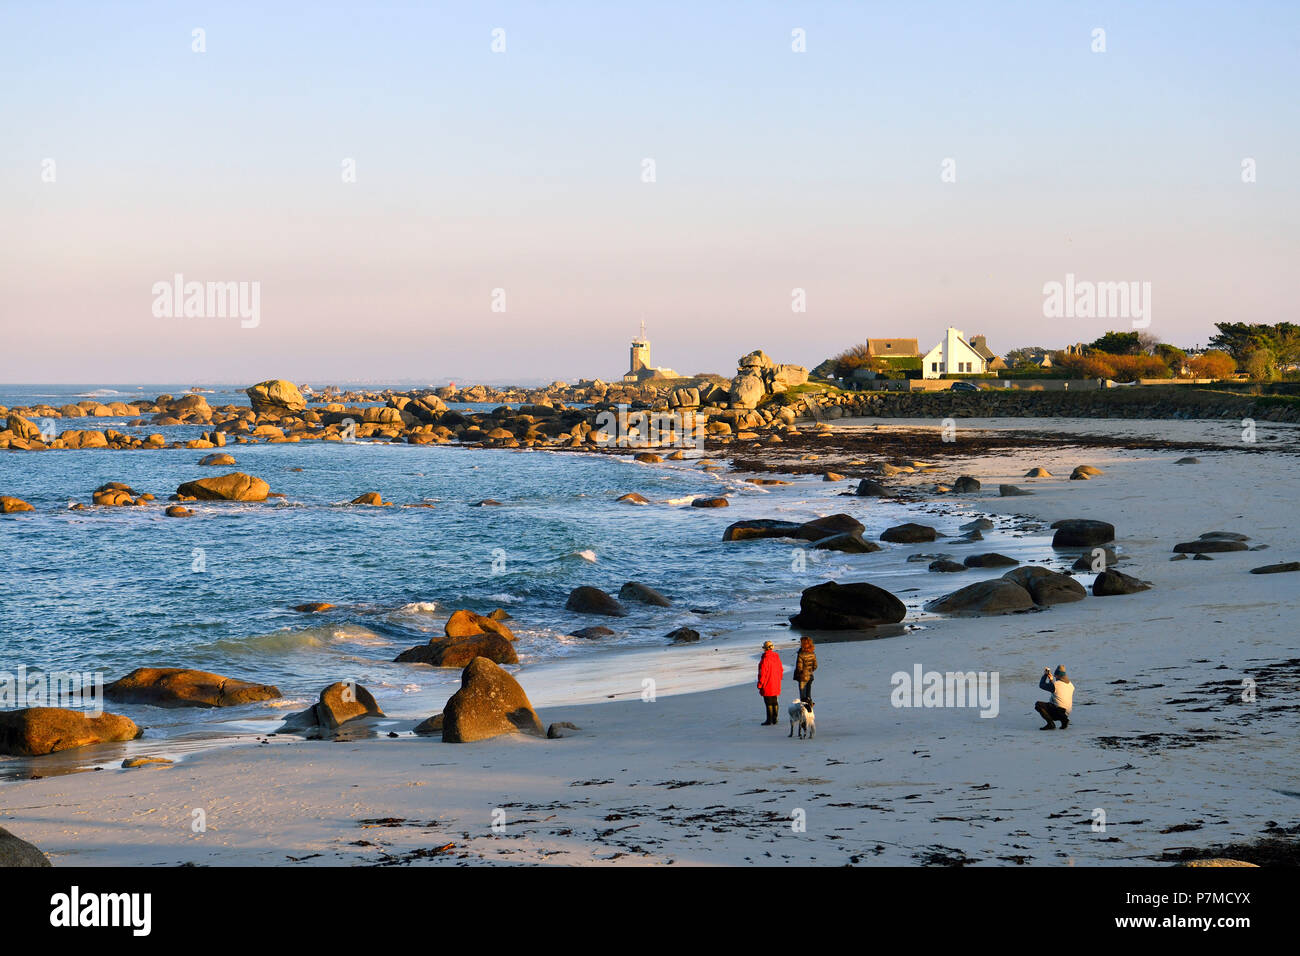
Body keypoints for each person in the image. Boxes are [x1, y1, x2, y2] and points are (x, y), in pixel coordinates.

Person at [1035, 665, 1074, 729]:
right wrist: (1051, 680)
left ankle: (1050, 724)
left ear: (1058, 675)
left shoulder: (1056, 684)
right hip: (1067, 712)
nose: (1055, 676)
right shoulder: (1071, 685)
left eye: (1055, 675)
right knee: (1057, 704)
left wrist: (1045, 675)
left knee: (1038, 704)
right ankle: (1064, 721)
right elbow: (1057, 692)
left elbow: (1041, 685)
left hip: (1058, 711)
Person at [757, 640, 783, 725]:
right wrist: (779, 678)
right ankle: (774, 719)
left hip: (768, 682)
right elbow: (780, 670)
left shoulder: (765, 658)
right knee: (774, 701)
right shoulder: (776, 657)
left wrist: (760, 684)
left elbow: (762, 673)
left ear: (765, 649)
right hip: (776, 681)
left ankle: (769, 720)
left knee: (768, 702)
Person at [793, 637, 817, 704]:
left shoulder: (801, 654)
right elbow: (815, 666)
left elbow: (799, 667)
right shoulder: (812, 653)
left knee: (803, 697)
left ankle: (804, 711)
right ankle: (810, 708)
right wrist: (810, 671)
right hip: (810, 675)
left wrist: (800, 673)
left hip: (802, 676)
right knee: (808, 695)